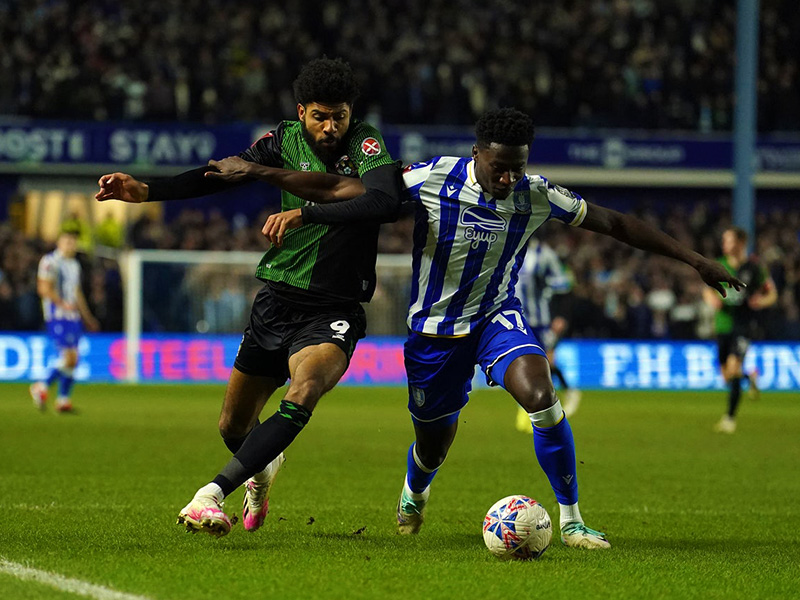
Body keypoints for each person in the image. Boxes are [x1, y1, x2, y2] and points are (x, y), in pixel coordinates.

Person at [256, 108, 743, 549]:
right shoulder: (432, 177)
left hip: (497, 317)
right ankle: (415, 489)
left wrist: (696, 259)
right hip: (434, 333)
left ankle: (571, 520)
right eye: (499, 167)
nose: (509, 177)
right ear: (477, 155)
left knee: (541, 398)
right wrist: (300, 208)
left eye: (518, 166)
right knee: (433, 443)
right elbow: (357, 193)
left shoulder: (536, 194)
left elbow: (615, 223)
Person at [95, 57, 404, 537]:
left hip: (334, 307)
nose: (330, 126)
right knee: (233, 428)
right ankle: (261, 472)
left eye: (338, 116)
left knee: (303, 394)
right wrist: (147, 189)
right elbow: (226, 172)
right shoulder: (282, 140)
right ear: (302, 112)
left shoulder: (365, 142)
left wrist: (305, 213)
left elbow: (383, 201)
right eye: (321, 116)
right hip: (278, 299)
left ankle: (210, 495)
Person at [703, 227, 777, 434]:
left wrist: (761, 301)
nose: (724, 244)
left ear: (741, 243)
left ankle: (729, 419)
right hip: (723, 324)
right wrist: (712, 300)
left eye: (728, 240)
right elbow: (707, 290)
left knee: (733, 367)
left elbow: (772, 294)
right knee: (727, 375)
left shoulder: (754, 267)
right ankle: (750, 377)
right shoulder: (719, 265)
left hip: (744, 325)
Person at [29, 226, 100, 412]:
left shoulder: (74, 265)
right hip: (57, 315)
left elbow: (77, 293)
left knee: (74, 359)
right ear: (59, 242)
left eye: (74, 241)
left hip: (73, 316)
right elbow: (43, 288)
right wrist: (61, 304)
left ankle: (63, 400)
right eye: (68, 241)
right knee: (68, 357)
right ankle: (41, 385)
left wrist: (87, 316)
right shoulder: (50, 261)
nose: (71, 245)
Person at [514, 238, 580, 432]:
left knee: (545, 365)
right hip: (518, 320)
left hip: (542, 322)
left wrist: (561, 316)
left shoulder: (545, 254)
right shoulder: (510, 247)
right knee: (523, 365)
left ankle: (560, 401)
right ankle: (528, 411)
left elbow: (564, 289)